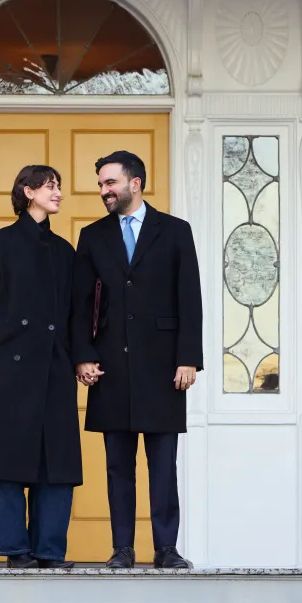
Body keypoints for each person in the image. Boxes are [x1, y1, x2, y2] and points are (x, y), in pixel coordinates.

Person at [71, 150, 202, 570]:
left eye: (110, 183)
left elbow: (190, 299)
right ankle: (122, 549)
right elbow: (79, 304)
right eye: (101, 185)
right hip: (111, 367)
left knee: (164, 467)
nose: (104, 191)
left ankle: (166, 549)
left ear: (135, 183)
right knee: (118, 468)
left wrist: (188, 358)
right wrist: (83, 355)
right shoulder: (92, 237)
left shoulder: (176, 231)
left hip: (165, 369)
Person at [0, 165, 83, 569]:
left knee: (56, 462)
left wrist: (82, 357)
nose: (58, 192)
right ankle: (16, 550)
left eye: (59, 186)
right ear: (28, 192)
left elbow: (76, 315)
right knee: (5, 460)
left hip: (53, 368)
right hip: (5, 369)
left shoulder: (65, 252)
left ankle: (49, 550)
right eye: (50, 186)